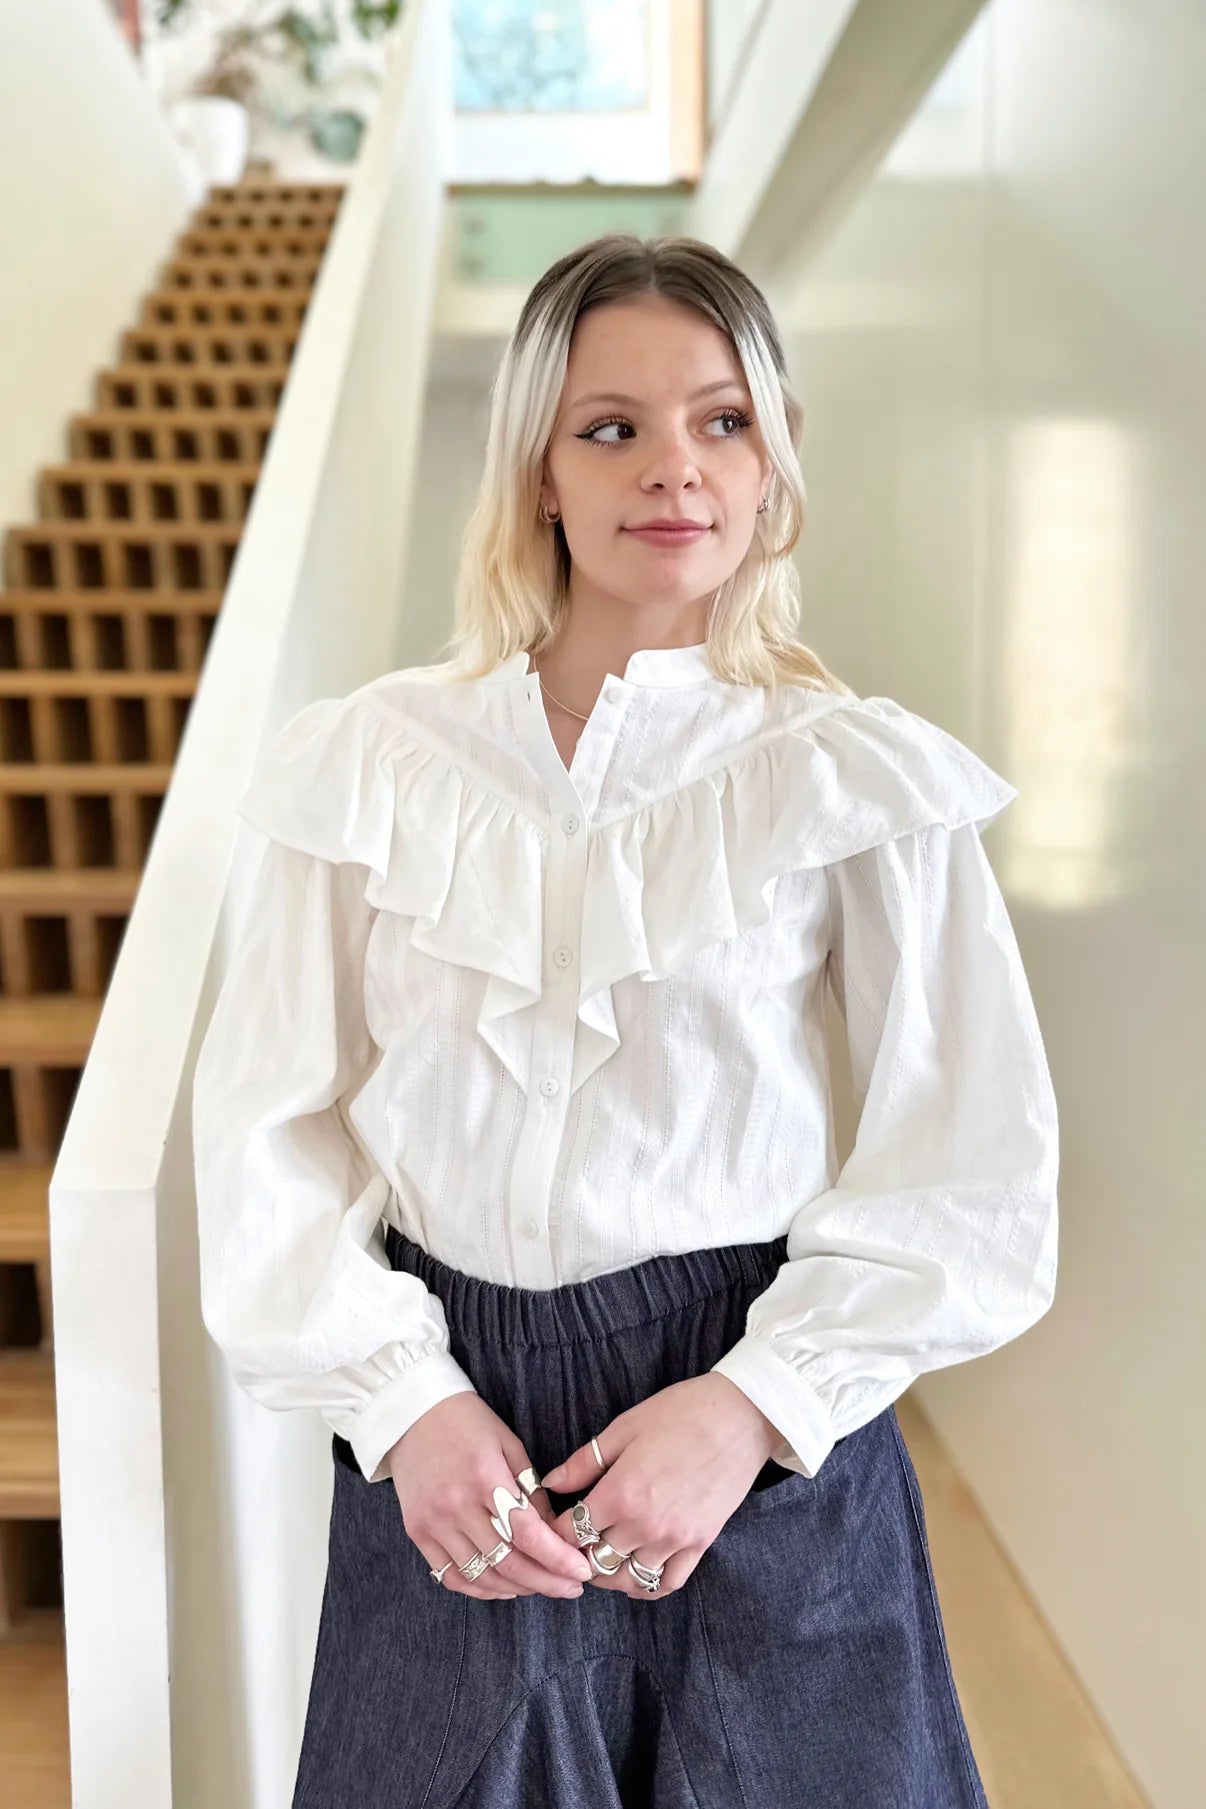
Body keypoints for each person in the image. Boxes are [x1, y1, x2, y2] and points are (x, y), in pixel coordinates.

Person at [192, 232, 1059, 1807]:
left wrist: (751, 1407)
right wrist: (403, 1408)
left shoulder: (853, 772)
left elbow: (974, 1169)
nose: (674, 468)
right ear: (538, 463)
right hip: (458, 1447)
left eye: (722, 420)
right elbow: (266, 1127)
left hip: (763, 1436)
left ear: (775, 458)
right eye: (612, 426)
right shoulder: (371, 762)